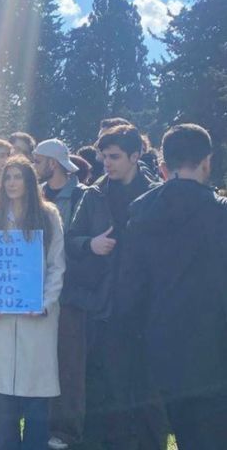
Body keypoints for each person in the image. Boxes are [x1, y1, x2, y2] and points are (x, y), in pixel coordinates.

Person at [120, 124, 227, 449]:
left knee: (184, 433)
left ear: (164, 164)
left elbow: (131, 285)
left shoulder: (141, 211)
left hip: (162, 345)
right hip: (216, 347)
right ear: (207, 161)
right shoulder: (219, 213)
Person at [65, 124, 161, 450]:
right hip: (104, 307)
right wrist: (90, 244)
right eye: (105, 156)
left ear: (136, 155)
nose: (108, 162)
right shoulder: (94, 194)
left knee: (146, 391)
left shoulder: (157, 194)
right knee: (105, 389)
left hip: (146, 308)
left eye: (115, 156)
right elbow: (70, 240)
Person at [0, 156, 66, 450]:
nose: (12, 183)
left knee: (37, 403)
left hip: (35, 318)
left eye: (19, 177)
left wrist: (46, 303)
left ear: (30, 181)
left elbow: (56, 265)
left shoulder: (48, 215)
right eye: (8, 177)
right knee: (2, 406)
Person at [32, 139, 89, 450]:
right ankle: (44, 422)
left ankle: (66, 430)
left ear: (53, 163)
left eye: (38, 161)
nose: (35, 166)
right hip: (37, 291)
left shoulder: (83, 196)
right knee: (42, 360)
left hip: (69, 296)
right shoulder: (37, 196)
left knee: (68, 364)